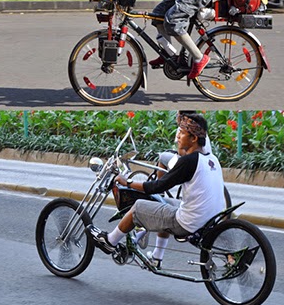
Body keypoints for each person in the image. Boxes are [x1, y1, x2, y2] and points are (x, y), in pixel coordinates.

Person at [88, 113, 225, 268]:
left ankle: (110, 241)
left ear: (193, 138)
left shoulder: (189, 161)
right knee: (162, 202)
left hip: (188, 222)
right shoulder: (211, 158)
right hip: (210, 219)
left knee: (138, 207)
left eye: (181, 133)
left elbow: (157, 186)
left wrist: (128, 182)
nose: (178, 137)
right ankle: (156, 257)